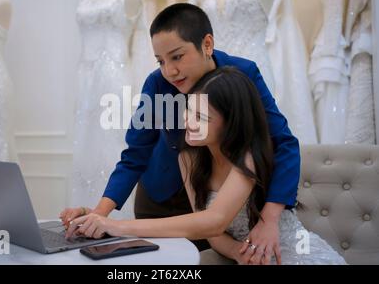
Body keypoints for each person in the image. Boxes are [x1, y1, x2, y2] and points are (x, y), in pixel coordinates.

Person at [61, 3, 301, 264]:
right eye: (161, 61)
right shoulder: (157, 84)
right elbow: (135, 154)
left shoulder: (243, 74)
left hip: (213, 204)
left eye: (177, 56)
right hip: (159, 197)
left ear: (207, 44)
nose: (169, 71)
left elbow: (283, 143)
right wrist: (99, 216)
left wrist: (269, 219)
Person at [65, 67, 347, 265]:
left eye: (201, 116)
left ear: (230, 122)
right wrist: (238, 252)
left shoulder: (248, 156)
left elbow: (214, 220)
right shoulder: (187, 159)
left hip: (292, 254)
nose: (188, 121)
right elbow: (214, 234)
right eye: (189, 109)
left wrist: (118, 226)